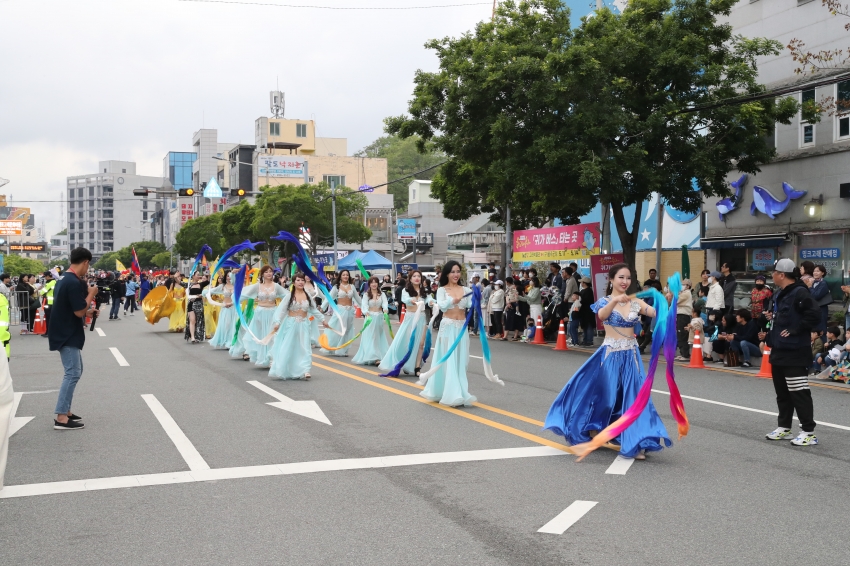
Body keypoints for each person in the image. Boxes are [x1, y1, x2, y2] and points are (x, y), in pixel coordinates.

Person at [544, 263, 671, 459]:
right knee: (607, 396)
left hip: (632, 356)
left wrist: (667, 302)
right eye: (621, 277)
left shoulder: (636, 302)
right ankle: (594, 427)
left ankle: (635, 441)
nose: (625, 281)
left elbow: (654, 313)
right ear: (611, 279)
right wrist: (615, 301)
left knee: (635, 397)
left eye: (628, 278)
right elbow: (602, 315)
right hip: (610, 354)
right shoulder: (604, 301)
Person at [761, 258, 821, 446]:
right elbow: (785, 316)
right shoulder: (780, 293)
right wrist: (772, 319)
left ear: (781, 274)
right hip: (779, 349)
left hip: (795, 350)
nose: (772, 275)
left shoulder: (800, 292)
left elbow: (814, 315)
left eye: (774, 272)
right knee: (782, 392)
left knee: (799, 391)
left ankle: (808, 431)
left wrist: (796, 329)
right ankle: (784, 427)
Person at [49, 248, 99, 431]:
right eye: (89, 265)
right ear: (85, 262)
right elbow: (78, 311)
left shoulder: (63, 278)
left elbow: (72, 308)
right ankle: (61, 416)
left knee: (76, 371)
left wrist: (89, 310)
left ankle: (66, 411)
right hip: (67, 332)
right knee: (72, 373)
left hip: (63, 329)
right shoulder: (73, 282)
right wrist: (91, 294)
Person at [420, 261, 477, 406]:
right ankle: (450, 393)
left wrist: (476, 297)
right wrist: (453, 300)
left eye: (458, 271)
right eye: (452, 271)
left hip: (461, 328)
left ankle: (460, 391)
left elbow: (471, 305)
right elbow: (443, 306)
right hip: (448, 326)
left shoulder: (465, 289)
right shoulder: (442, 290)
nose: (456, 274)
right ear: (447, 274)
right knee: (448, 359)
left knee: (461, 360)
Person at [268, 272, 324, 380]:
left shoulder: (307, 295)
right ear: (293, 282)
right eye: (298, 280)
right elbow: (282, 310)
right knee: (288, 346)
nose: (301, 282)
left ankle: (305, 370)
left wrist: (322, 320)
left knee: (305, 347)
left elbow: (313, 309)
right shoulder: (289, 296)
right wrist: (277, 322)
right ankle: (283, 368)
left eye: (302, 280)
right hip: (290, 324)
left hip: (304, 323)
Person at [379, 270, 432, 377]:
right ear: (410, 278)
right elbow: (405, 299)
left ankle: (417, 367)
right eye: (414, 276)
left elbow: (429, 299)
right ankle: (403, 363)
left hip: (421, 318)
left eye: (419, 276)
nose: (417, 278)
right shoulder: (406, 290)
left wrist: (431, 302)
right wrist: (412, 301)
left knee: (421, 344)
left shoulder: (424, 291)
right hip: (410, 318)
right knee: (407, 343)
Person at [240, 265, 287, 364]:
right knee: (261, 335)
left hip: (273, 312)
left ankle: (272, 359)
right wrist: (234, 301)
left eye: (270, 271)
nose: (269, 273)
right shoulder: (257, 286)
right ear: (262, 274)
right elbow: (245, 295)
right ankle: (263, 358)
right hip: (260, 313)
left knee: (273, 335)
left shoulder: (276, 286)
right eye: (266, 272)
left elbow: (287, 296)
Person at [352, 277, 391, 366]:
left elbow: (385, 303)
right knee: (371, 336)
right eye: (372, 282)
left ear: (378, 284)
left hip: (379, 317)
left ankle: (379, 355)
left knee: (378, 336)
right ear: (369, 284)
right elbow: (364, 305)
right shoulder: (366, 294)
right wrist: (366, 313)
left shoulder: (382, 294)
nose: (374, 284)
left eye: (375, 282)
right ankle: (374, 357)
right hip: (370, 317)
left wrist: (385, 309)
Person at [320, 269, 357, 357]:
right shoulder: (336, 287)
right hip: (340, 310)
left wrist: (365, 310)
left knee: (347, 330)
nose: (345, 276)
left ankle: (343, 349)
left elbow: (358, 299)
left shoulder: (352, 287)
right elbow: (329, 297)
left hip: (350, 311)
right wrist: (322, 307)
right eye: (343, 275)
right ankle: (335, 348)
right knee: (339, 329)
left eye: (347, 275)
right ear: (340, 276)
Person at [206, 271, 238, 350]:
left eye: (231, 276)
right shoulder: (222, 286)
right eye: (228, 276)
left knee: (233, 325)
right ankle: (226, 341)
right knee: (226, 324)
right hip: (226, 308)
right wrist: (206, 291)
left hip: (234, 308)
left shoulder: (236, 286)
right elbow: (211, 291)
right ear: (225, 277)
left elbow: (240, 297)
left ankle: (231, 342)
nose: (229, 277)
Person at [184, 272, 209, 344]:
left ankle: (197, 335)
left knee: (198, 321)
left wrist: (209, 273)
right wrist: (176, 277)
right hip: (191, 304)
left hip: (199, 304)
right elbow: (180, 282)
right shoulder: (188, 284)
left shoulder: (201, 284)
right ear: (193, 276)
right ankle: (192, 337)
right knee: (192, 320)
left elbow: (208, 281)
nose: (199, 276)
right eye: (198, 275)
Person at [674, 279, 694, 361]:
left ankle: (685, 354)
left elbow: (677, 300)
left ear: (688, 286)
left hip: (684, 315)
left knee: (682, 334)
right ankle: (683, 353)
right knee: (680, 334)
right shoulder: (683, 293)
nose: (681, 286)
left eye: (683, 284)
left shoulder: (686, 293)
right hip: (680, 314)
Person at [807, 265, 831, 333]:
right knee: (813, 330)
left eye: (818, 271)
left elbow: (816, 296)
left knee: (820, 330)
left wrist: (810, 287)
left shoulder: (823, 283)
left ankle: (822, 343)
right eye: (814, 271)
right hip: (812, 309)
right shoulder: (812, 282)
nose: (815, 273)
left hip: (821, 309)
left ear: (822, 273)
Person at [578, 277, 595, 346]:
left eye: (582, 282)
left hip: (588, 311)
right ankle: (585, 340)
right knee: (584, 326)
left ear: (584, 283)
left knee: (589, 326)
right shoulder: (582, 291)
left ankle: (589, 340)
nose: (581, 283)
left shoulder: (589, 291)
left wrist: (580, 301)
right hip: (583, 311)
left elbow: (586, 301)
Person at [39, 270, 56, 337]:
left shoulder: (50, 283)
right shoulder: (55, 282)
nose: (45, 278)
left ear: (48, 276)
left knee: (49, 318)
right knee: (52, 318)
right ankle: (52, 332)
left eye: (45, 276)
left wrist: (41, 291)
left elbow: (42, 292)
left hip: (49, 303)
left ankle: (48, 332)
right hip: (53, 303)